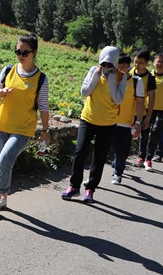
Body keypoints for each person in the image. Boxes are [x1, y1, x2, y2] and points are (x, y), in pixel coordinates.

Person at [0, 34, 51, 215]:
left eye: (25, 52)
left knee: (5, 159)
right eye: (18, 51)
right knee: (2, 162)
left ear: (34, 52)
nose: (21, 55)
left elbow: (44, 107)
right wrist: (3, 91)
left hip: (23, 129)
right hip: (2, 124)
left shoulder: (41, 79)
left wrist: (45, 131)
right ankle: (4, 194)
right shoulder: (8, 70)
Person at [61, 46, 126, 203]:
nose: (106, 67)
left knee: (99, 157)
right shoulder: (93, 70)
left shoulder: (121, 77)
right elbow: (84, 92)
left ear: (116, 63)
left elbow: (118, 99)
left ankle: (90, 189)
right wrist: (97, 76)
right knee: (80, 152)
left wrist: (111, 81)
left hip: (108, 123)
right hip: (88, 119)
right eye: (104, 63)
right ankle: (74, 186)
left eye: (110, 64)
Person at [110, 54, 144, 185]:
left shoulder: (136, 81)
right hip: (109, 119)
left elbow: (140, 103)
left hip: (126, 122)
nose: (122, 68)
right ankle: (94, 177)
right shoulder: (111, 79)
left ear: (129, 66)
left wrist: (138, 122)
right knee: (105, 148)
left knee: (121, 150)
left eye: (124, 66)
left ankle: (118, 173)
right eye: (119, 65)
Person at [130, 50, 156, 168]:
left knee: (144, 136)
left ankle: (142, 157)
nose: (137, 65)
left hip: (142, 111)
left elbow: (151, 99)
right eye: (135, 62)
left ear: (146, 63)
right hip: (128, 111)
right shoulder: (129, 72)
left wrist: (148, 117)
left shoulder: (150, 78)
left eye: (140, 63)